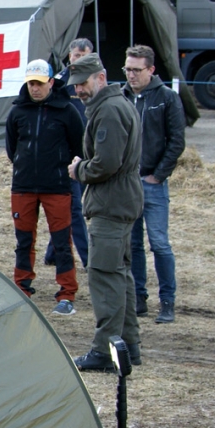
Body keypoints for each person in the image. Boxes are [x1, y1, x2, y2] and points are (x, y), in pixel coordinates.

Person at [67, 53, 144, 372]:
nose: (79, 90)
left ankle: (105, 350)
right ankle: (128, 346)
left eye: (83, 83)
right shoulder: (115, 104)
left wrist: (79, 169)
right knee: (119, 274)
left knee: (104, 276)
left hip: (111, 203)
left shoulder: (109, 110)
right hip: (120, 200)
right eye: (75, 85)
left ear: (101, 77)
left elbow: (106, 163)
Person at [4, 59, 84, 314]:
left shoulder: (68, 111)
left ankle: (67, 293)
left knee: (62, 241)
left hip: (57, 186)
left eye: (39, 83)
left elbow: (79, 148)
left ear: (51, 82)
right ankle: (22, 288)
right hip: (23, 186)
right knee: (23, 240)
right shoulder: (17, 111)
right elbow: (12, 148)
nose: (35, 88)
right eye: (31, 84)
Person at [123, 43, 185, 324]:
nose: (131, 75)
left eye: (136, 70)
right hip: (128, 183)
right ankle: (139, 299)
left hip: (152, 183)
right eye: (127, 69)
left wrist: (158, 175)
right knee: (133, 244)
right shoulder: (122, 97)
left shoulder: (167, 98)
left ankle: (167, 301)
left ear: (151, 70)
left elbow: (177, 140)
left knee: (159, 243)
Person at [44, 37, 94, 268]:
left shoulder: (96, 80)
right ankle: (88, 259)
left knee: (72, 202)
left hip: (88, 151)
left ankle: (52, 252)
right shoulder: (59, 82)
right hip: (65, 153)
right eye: (76, 56)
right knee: (74, 207)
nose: (79, 60)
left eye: (84, 56)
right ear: (69, 57)